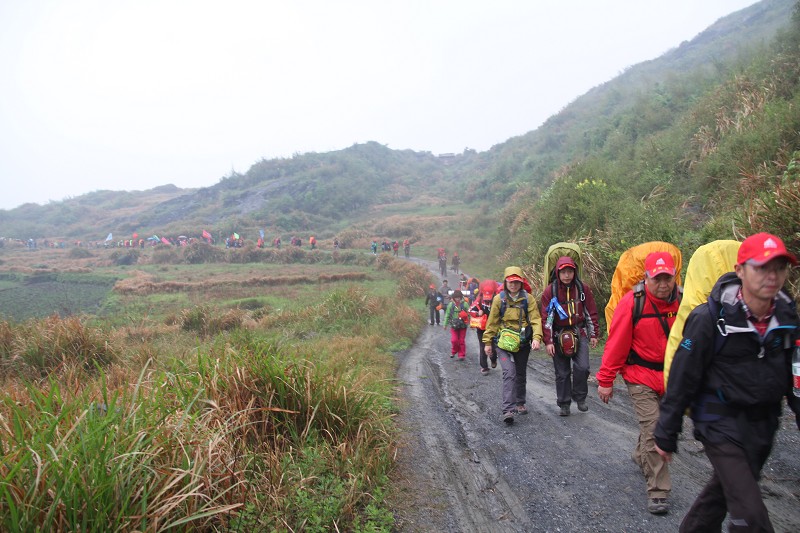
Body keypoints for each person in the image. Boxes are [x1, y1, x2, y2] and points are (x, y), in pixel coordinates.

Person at [654, 233, 800, 531]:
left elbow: (796, 372)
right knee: (751, 514)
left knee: (723, 493)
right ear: (740, 270)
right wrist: (666, 432)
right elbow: (683, 375)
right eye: (762, 267)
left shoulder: (787, 315)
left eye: (780, 268)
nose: (772, 276)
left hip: (763, 423)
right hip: (718, 421)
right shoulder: (710, 318)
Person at [596, 251, 681, 515]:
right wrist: (606, 379)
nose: (664, 284)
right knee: (655, 430)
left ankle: (640, 454)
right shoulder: (633, 302)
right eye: (658, 278)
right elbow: (617, 344)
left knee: (658, 425)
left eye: (668, 277)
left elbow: (693, 339)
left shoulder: (684, 301)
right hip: (639, 375)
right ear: (646, 277)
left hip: (671, 377)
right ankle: (658, 491)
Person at [483, 267, 543, 424]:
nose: (513, 285)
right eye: (511, 282)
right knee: (509, 372)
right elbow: (492, 323)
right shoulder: (499, 299)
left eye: (517, 282)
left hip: (522, 343)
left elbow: (536, 319)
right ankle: (508, 410)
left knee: (521, 373)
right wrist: (488, 342)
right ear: (505, 282)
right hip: (503, 344)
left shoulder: (528, 299)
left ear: (521, 283)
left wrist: (537, 338)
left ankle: (520, 402)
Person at [541, 256, 600, 416]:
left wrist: (593, 333)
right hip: (558, 334)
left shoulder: (582, 289)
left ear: (574, 272)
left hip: (579, 332)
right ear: (558, 273)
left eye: (570, 271)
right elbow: (547, 318)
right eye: (564, 272)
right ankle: (564, 404)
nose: (567, 275)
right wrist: (548, 341)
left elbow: (590, 312)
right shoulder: (551, 291)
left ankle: (580, 397)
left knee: (583, 367)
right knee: (562, 373)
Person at [470, 280, 498, 375]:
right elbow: (470, 310)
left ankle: (493, 359)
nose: (487, 299)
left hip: (494, 328)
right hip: (482, 329)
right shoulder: (479, 299)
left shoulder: (498, 299)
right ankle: (484, 367)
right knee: (483, 347)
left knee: (493, 347)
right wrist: (478, 313)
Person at [443, 290, 470, 360]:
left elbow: (470, 313)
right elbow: (447, 314)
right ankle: (454, 351)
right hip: (454, 325)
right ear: (454, 298)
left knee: (461, 340)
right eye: (456, 297)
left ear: (461, 297)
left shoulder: (465, 304)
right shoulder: (451, 305)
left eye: (459, 297)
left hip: (463, 325)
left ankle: (461, 355)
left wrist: (471, 322)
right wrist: (445, 324)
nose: (457, 299)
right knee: (454, 340)